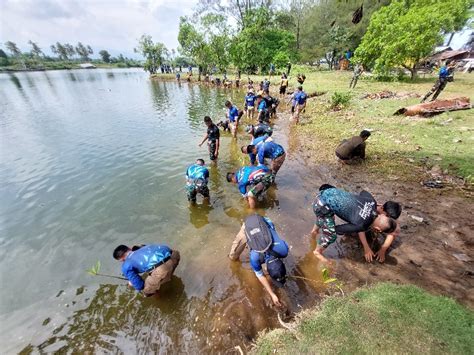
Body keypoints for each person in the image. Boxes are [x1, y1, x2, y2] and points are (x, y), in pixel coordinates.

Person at [310, 185, 397, 263]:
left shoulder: (373, 202)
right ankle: (317, 252)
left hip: (328, 191)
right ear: (378, 229)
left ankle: (314, 231)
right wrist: (328, 230)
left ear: (382, 215)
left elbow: (363, 192)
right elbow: (337, 229)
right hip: (320, 204)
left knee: (328, 217)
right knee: (331, 234)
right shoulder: (361, 225)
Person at [229, 214, 288, 306]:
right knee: (233, 257)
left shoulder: (283, 250)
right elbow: (260, 275)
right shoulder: (255, 257)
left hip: (264, 222)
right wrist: (272, 294)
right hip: (249, 226)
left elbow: (279, 239)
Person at [113, 244, 180, 296]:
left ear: (122, 259)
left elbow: (139, 285)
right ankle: (167, 278)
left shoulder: (126, 265)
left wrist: (132, 283)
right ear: (129, 248)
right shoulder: (141, 246)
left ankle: (161, 298)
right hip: (174, 255)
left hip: (162, 269)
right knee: (159, 273)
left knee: (146, 291)